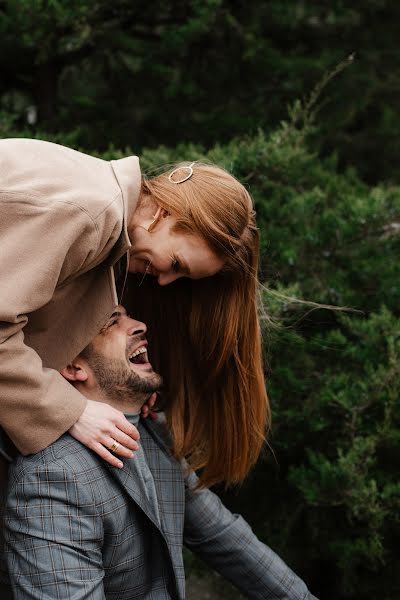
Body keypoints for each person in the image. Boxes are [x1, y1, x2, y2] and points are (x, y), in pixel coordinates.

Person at [0, 138, 267, 492]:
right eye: (175, 264)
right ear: (165, 212)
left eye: (181, 277)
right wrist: (70, 412)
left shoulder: (96, 197)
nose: (166, 279)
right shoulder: (91, 215)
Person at [4, 306, 318, 600]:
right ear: (74, 366)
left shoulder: (155, 433)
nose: (140, 326)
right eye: (113, 321)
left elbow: (227, 539)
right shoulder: (51, 478)